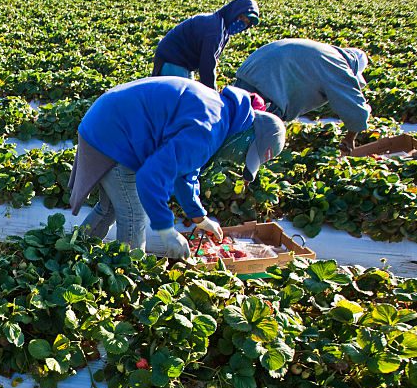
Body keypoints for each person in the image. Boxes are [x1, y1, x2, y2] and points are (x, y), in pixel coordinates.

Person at [67, 77, 286, 260]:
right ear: (247, 135)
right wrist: (166, 230)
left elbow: (186, 171)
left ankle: (75, 251)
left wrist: (199, 216)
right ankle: (128, 273)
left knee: (109, 208)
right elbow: (150, 177)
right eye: (245, 153)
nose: (238, 160)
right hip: (113, 134)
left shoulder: (220, 115)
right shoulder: (208, 129)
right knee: (134, 215)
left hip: (106, 120)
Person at [234, 38, 372, 153]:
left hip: (249, 72)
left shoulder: (324, 51)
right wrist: (350, 138)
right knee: (256, 138)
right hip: (269, 87)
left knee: (235, 120)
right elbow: (355, 107)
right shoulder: (338, 64)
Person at [152, 0, 260, 89]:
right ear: (234, 12)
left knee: (188, 97)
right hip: (173, 60)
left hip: (182, 62)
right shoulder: (215, 29)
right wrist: (212, 93)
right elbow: (207, 64)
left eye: (246, 23)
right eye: (241, 18)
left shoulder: (221, 27)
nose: (242, 24)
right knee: (177, 101)